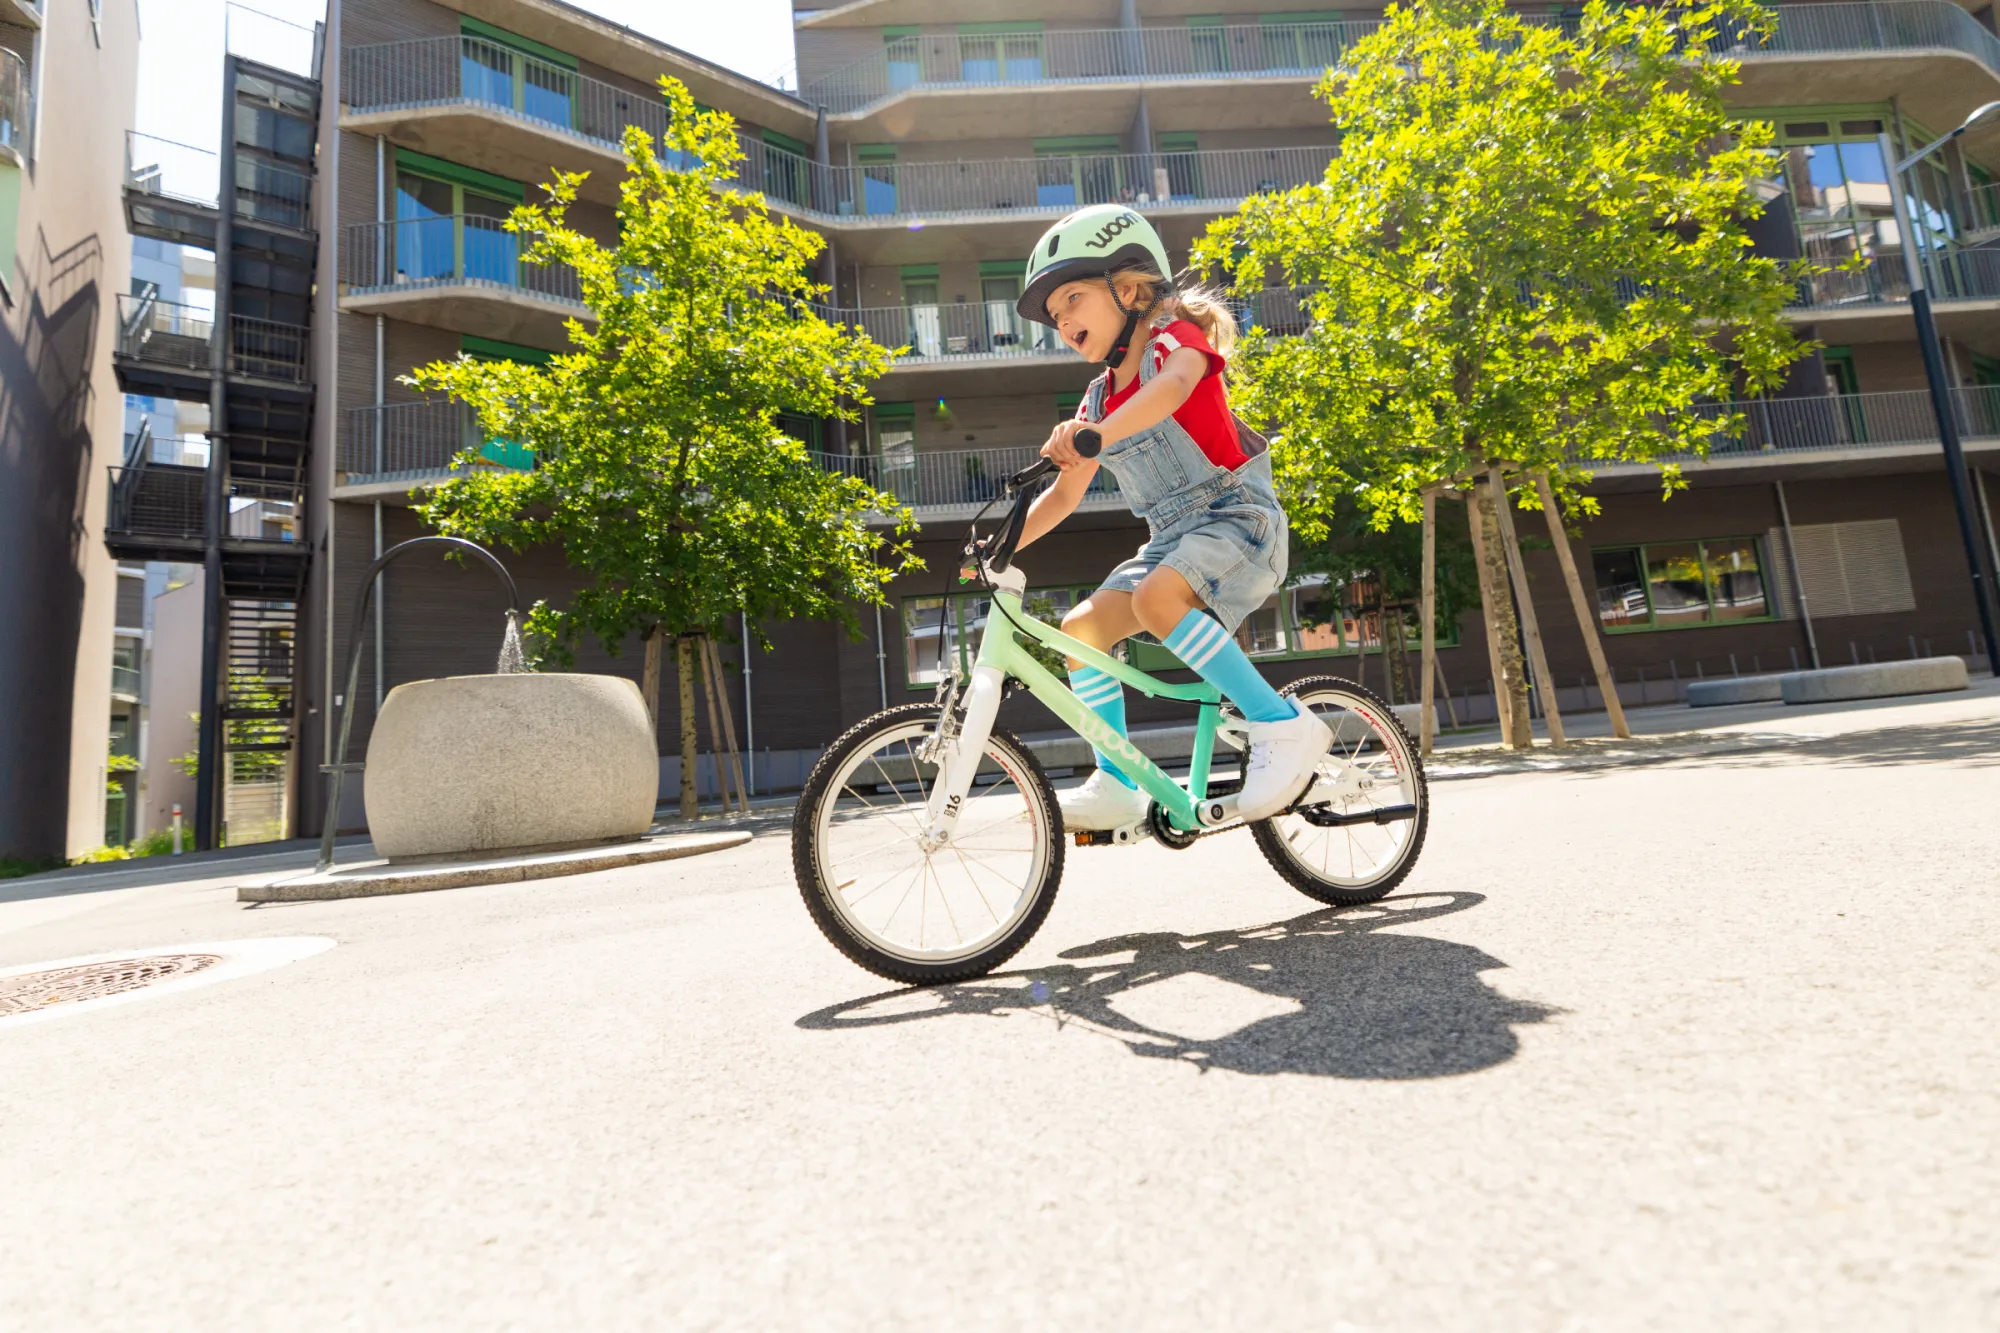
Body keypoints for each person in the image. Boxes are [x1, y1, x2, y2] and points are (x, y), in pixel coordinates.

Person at [1009, 204, 1330, 831]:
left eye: (1073, 298)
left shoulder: (1174, 340)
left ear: (1128, 291)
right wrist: (999, 547)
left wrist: (1096, 435)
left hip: (1238, 521)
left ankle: (1280, 722)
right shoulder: (1096, 398)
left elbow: (1175, 389)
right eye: (1054, 315)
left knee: (1156, 598)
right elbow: (1064, 498)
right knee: (1081, 628)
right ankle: (1116, 782)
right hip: (1172, 543)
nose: (1063, 320)